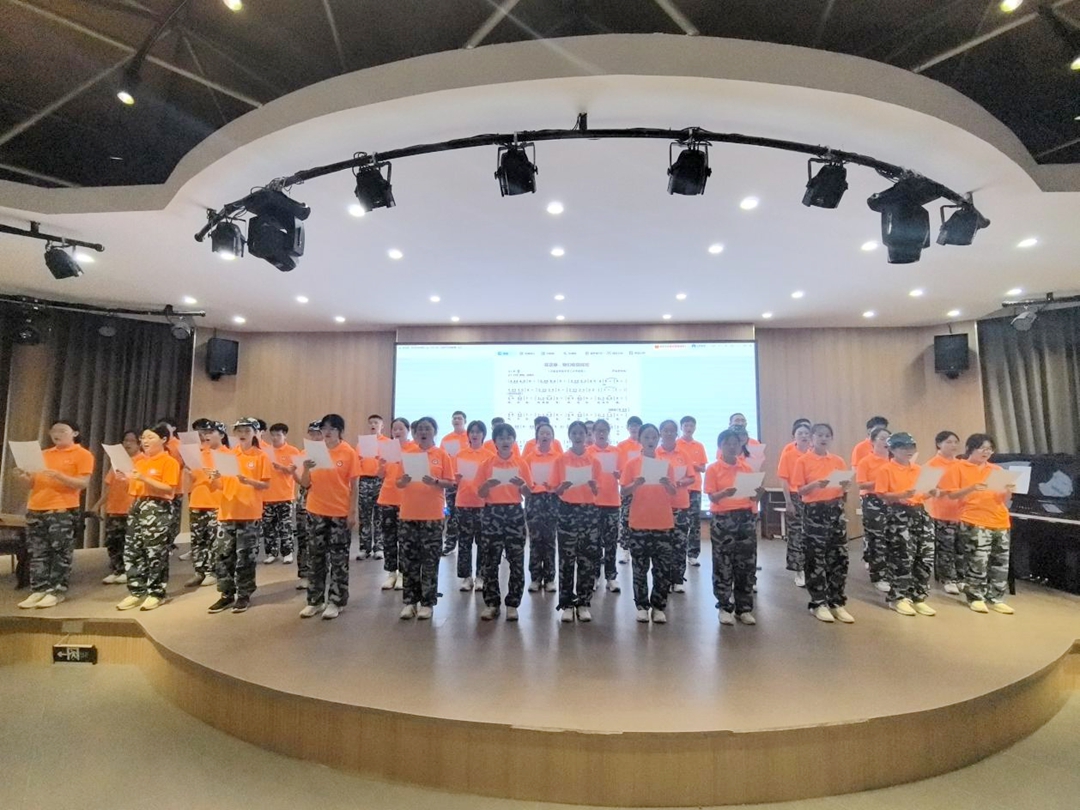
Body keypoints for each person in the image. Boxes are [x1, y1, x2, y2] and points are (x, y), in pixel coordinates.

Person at [15, 420, 94, 609]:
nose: (57, 434)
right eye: (54, 431)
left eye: (62, 430)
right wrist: (23, 477)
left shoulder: (83, 454)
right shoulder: (43, 454)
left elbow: (83, 483)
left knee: (60, 552)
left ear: (74, 433)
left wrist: (59, 476)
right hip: (36, 508)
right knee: (37, 552)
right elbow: (32, 484)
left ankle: (56, 591)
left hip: (61, 510)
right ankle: (38, 589)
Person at [940, 433, 1015, 614]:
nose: (986, 452)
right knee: (977, 561)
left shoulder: (997, 470)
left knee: (1000, 563)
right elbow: (951, 494)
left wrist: (1009, 490)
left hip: (1000, 520)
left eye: (989, 449)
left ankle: (996, 597)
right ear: (970, 449)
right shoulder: (958, 467)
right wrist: (972, 488)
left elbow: (1004, 499)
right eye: (982, 448)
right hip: (973, 519)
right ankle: (975, 597)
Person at [298, 414, 361, 620]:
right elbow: (305, 484)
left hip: (339, 512)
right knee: (315, 557)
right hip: (315, 510)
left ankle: (336, 600)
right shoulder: (314, 450)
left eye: (332, 428)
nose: (327, 432)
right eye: (324, 428)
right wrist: (306, 468)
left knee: (338, 558)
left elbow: (354, 486)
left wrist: (352, 512)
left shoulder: (348, 452)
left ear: (339, 431)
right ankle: (314, 601)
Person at [791, 423, 854, 624]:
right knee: (815, 557)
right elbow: (800, 490)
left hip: (835, 510)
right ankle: (818, 602)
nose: (823, 439)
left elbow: (844, 489)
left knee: (839, 556)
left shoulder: (837, 460)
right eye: (819, 435)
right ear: (812, 438)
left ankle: (837, 601)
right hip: (814, 512)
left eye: (827, 435)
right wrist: (815, 484)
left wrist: (845, 485)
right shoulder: (803, 461)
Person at [206, 417, 270, 614]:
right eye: (239, 430)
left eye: (247, 431)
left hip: (249, 513)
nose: (242, 434)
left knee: (245, 556)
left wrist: (249, 481)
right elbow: (219, 486)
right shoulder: (227, 455)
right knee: (223, 555)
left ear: (255, 433)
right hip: (227, 511)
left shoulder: (261, 456)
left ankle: (244, 594)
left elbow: (266, 484)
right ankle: (226, 594)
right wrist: (214, 478)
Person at [114, 423, 179, 611]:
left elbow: (169, 489)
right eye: (143, 438)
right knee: (133, 550)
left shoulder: (169, 462)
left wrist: (144, 478)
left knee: (155, 551)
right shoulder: (140, 461)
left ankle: (156, 593)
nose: (145, 441)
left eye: (150, 437)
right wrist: (126, 479)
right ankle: (136, 591)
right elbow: (135, 486)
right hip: (138, 505)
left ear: (163, 439)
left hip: (157, 507)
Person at [397, 416, 454, 620]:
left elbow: (450, 482)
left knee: (430, 560)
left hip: (432, 515)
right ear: (415, 432)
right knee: (409, 560)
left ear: (434, 432)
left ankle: (427, 603)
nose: (423, 432)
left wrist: (436, 481)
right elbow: (398, 483)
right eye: (420, 429)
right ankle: (409, 601)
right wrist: (403, 480)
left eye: (427, 428)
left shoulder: (442, 455)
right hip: (409, 514)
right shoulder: (407, 454)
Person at [874, 432, 937, 616]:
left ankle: (918, 597)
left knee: (924, 556)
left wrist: (931, 492)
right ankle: (898, 598)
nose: (909, 451)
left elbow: (922, 494)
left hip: (919, 513)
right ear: (893, 450)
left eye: (911, 447)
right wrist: (901, 495)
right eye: (903, 447)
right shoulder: (886, 469)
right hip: (898, 514)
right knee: (902, 556)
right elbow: (882, 494)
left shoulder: (918, 469)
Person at [705, 429, 764, 625]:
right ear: (720, 446)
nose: (732, 447)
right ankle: (724, 606)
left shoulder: (746, 468)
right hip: (723, 520)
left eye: (735, 443)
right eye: (727, 443)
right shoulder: (713, 469)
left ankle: (744, 608)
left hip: (745, 518)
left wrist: (759, 493)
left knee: (746, 564)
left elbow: (753, 497)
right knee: (723, 563)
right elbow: (712, 497)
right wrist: (725, 493)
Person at [620, 423, 677, 623]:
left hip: (663, 522)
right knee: (640, 568)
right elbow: (623, 491)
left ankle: (659, 606)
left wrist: (668, 484)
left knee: (662, 569)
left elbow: (673, 492)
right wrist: (635, 484)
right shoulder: (632, 464)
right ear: (640, 440)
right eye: (647, 437)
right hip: (639, 522)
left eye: (654, 437)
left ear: (658, 439)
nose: (651, 441)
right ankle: (642, 606)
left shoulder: (666, 464)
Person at [477, 422, 533, 621]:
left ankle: (512, 604)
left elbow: (528, 493)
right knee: (490, 561)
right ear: (495, 442)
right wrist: (487, 485)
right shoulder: (487, 464)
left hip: (514, 513)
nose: (505, 441)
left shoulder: (521, 463)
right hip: (491, 513)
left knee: (516, 560)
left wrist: (522, 485)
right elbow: (480, 492)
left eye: (509, 437)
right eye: (501, 438)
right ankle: (492, 603)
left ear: (514, 440)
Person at [552, 421, 603, 622]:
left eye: (581, 433)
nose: (578, 436)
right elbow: (555, 489)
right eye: (574, 433)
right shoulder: (561, 460)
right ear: (569, 436)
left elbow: (599, 490)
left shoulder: (594, 461)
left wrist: (593, 486)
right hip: (567, 511)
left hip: (589, 511)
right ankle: (566, 604)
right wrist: (562, 487)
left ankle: (583, 603)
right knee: (566, 559)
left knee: (587, 559)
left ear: (586, 434)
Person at [93, 429, 141, 585]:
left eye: (131, 441)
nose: (127, 444)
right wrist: (98, 505)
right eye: (125, 440)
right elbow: (110, 486)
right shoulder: (117, 462)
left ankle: (129, 571)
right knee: (113, 542)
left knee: (130, 542)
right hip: (114, 508)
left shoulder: (143, 460)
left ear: (139, 443)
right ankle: (117, 570)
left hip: (131, 507)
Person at [183, 419, 225, 588]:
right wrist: (188, 472)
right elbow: (193, 479)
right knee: (197, 540)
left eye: (211, 432)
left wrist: (217, 477)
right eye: (204, 433)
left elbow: (231, 481)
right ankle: (199, 572)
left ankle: (212, 572)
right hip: (197, 500)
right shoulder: (198, 453)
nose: (206, 436)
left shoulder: (227, 454)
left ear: (221, 435)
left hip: (216, 502)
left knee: (214, 540)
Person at [657, 419, 697, 593]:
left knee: (679, 543)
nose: (669, 433)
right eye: (665, 430)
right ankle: (664, 580)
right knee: (662, 545)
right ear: (660, 433)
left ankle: (678, 579)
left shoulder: (684, 454)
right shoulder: (655, 454)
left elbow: (691, 477)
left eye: (672, 431)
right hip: (660, 505)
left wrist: (679, 482)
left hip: (680, 503)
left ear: (676, 433)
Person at [454, 419, 491, 592]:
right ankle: (466, 577)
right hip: (464, 502)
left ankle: (481, 576)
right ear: (468, 435)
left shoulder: (489, 455)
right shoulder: (460, 454)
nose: (475, 434)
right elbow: (454, 479)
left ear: (483, 435)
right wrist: (457, 478)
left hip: (483, 504)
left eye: (478, 431)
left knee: (483, 542)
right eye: (472, 432)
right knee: (464, 542)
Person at [925, 431, 964, 594]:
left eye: (955, 442)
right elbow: (926, 490)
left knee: (961, 547)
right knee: (945, 548)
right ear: (939, 444)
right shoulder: (932, 465)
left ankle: (961, 578)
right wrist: (941, 491)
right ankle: (948, 579)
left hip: (961, 511)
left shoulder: (962, 464)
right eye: (949, 442)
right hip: (941, 511)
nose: (953, 445)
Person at [377, 417, 412, 591]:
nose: (397, 432)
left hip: (406, 499)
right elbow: (380, 475)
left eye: (401, 429)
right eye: (394, 429)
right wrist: (381, 464)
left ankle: (404, 574)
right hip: (387, 497)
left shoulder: (414, 448)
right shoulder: (387, 448)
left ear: (408, 430)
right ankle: (391, 573)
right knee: (389, 538)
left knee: (405, 539)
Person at [524, 422, 559, 593]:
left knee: (550, 540)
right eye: (542, 433)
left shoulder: (558, 458)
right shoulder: (529, 458)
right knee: (536, 540)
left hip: (552, 499)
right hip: (534, 500)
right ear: (537, 437)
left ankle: (550, 578)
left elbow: (562, 479)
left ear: (552, 437)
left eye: (548, 433)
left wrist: (553, 485)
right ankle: (535, 578)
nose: (545, 436)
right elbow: (523, 480)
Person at [855, 426, 892, 592]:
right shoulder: (866, 461)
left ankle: (891, 572)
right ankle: (879, 575)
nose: (886, 442)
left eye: (888, 439)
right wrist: (881, 482)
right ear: (872, 441)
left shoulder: (893, 461)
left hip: (891, 500)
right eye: (882, 439)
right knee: (877, 538)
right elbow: (861, 484)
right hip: (872, 500)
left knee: (891, 537)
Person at [587, 419, 621, 592]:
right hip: (593, 503)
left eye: (604, 430)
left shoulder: (616, 451)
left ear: (608, 432)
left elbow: (625, 475)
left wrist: (619, 474)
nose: (601, 433)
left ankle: (611, 577)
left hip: (612, 502)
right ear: (593, 433)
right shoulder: (588, 452)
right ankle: (594, 576)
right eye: (598, 430)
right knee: (593, 542)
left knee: (611, 542)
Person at [776, 419, 812, 585]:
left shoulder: (814, 454)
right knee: (797, 533)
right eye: (800, 433)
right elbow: (784, 480)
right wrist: (788, 502)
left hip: (813, 498)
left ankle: (812, 568)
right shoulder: (789, 455)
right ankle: (799, 570)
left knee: (811, 534)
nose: (804, 436)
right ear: (794, 437)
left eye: (807, 433)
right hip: (795, 496)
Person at [262, 422, 301, 565]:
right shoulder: (265, 451)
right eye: (272, 435)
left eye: (278, 435)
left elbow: (295, 471)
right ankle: (271, 552)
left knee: (285, 526)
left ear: (285, 435)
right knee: (268, 526)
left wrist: (281, 467)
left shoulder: (292, 451)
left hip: (285, 495)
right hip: (267, 495)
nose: (275, 438)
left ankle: (287, 552)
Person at [294, 420, 322, 591]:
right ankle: (304, 573)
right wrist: (294, 472)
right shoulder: (303, 453)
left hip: (325, 501)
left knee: (321, 539)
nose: (315, 437)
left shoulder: (331, 452)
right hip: (305, 499)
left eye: (318, 433)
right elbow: (301, 481)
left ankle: (320, 572)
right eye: (312, 434)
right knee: (303, 538)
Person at [676, 416, 709, 568]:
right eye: (686, 425)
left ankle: (693, 554)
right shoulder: (676, 444)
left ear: (695, 428)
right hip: (679, 487)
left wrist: (691, 465)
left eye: (691, 426)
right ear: (681, 427)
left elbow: (703, 468)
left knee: (694, 522)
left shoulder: (699, 445)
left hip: (695, 487)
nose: (688, 428)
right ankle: (678, 552)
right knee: (679, 521)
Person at [356, 414, 388, 560]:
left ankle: (379, 547)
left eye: (376, 422)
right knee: (364, 516)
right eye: (371, 423)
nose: (373, 425)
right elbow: (356, 462)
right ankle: (364, 547)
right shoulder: (362, 443)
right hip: (365, 480)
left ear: (382, 426)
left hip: (381, 481)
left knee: (380, 516)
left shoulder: (387, 443)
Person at [616, 416, 644, 564]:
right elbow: (618, 466)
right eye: (632, 425)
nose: (634, 428)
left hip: (645, 488)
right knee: (625, 518)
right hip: (628, 485)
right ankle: (625, 550)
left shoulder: (646, 444)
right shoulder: (622, 446)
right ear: (628, 428)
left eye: (637, 425)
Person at [440, 410, 468, 555]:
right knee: (451, 513)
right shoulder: (446, 439)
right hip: (451, 481)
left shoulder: (470, 437)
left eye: (459, 418)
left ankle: (465, 544)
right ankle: (450, 544)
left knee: (466, 514)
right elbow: (440, 459)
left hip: (467, 482)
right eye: (454, 418)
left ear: (465, 421)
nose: (457, 420)